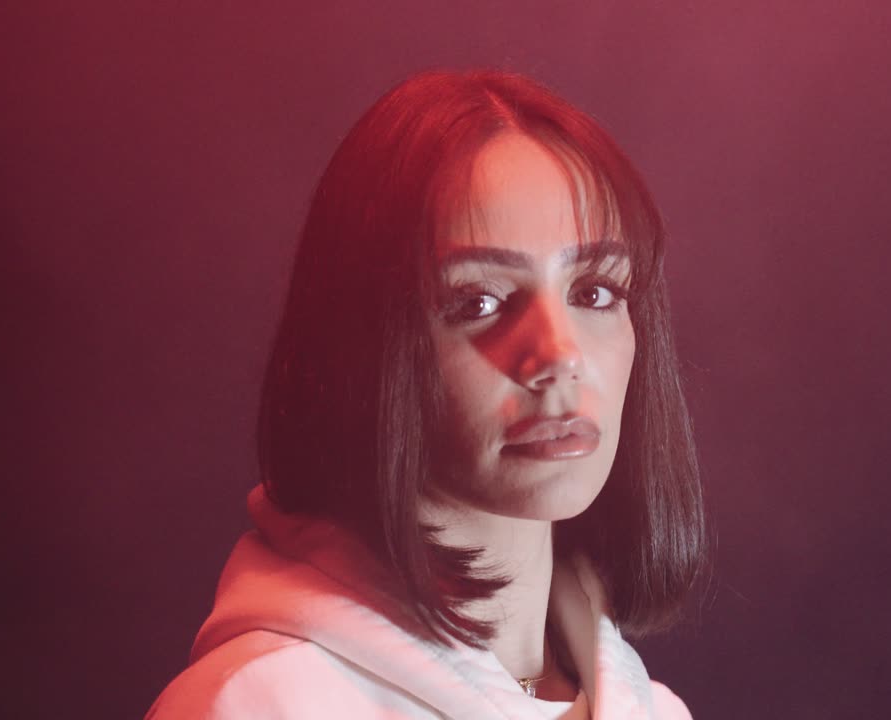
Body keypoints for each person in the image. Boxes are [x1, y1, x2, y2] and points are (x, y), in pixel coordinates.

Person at [146, 69, 705, 719]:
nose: (559, 354)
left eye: (594, 293)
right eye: (480, 300)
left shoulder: (657, 712)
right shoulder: (262, 704)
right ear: (365, 345)